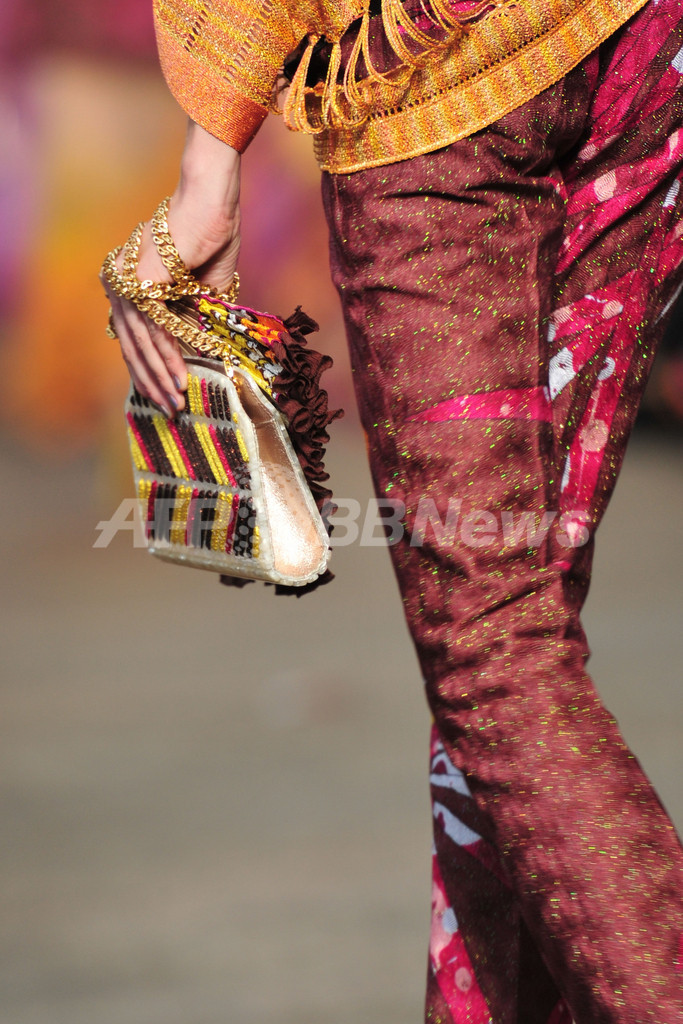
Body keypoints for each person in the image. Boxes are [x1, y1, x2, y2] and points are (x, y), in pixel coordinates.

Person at [102, 1, 683, 1021]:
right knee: (522, 657)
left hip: (434, 81)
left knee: (492, 643)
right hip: (638, 47)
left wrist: (209, 157)